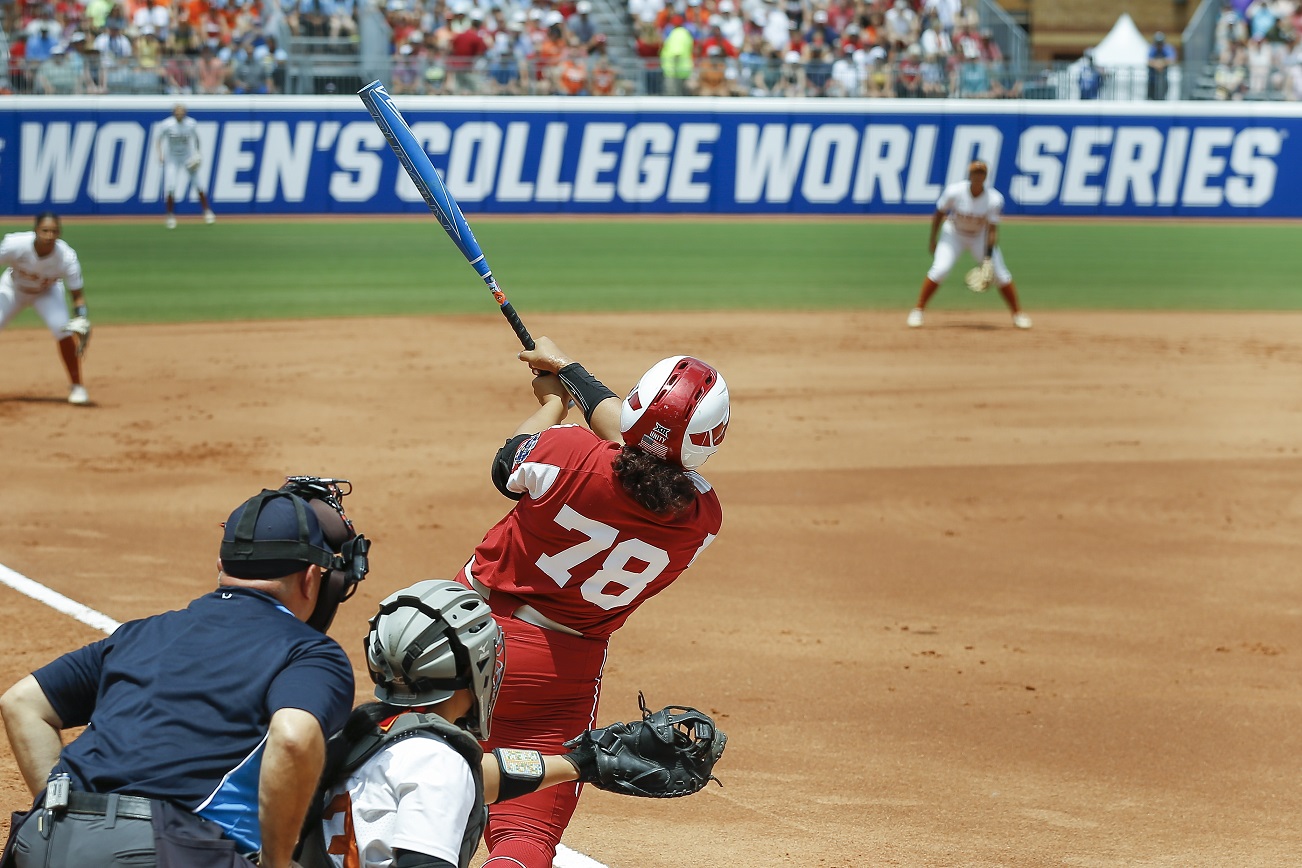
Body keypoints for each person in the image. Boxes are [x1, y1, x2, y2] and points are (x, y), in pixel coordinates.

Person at [0, 478, 371, 868]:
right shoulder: (309, 653)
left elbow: (22, 703)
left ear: (221, 566)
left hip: (42, 842)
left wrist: (75, 824)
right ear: (312, 578)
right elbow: (294, 739)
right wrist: (277, 862)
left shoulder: (139, 633)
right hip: (162, 852)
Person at [457, 337, 728, 867]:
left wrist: (551, 402)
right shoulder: (702, 520)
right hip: (559, 673)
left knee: (404, 774)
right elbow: (644, 451)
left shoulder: (565, 450)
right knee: (524, 832)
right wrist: (571, 371)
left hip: (463, 634)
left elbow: (505, 466)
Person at [907, 160, 1031, 330]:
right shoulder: (954, 192)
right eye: (975, 173)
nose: (978, 176)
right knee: (940, 269)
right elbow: (939, 214)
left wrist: (987, 257)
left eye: (981, 173)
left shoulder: (994, 199)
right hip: (953, 234)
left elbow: (992, 230)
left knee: (1000, 274)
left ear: (986, 176)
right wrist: (933, 240)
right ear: (970, 175)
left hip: (979, 237)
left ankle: (1018, 314)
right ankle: (918, 310)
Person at [0, 213, 91, 405]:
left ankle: (77, 386)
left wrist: (81, 317)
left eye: (54, 231)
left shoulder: (66, 257)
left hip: (46, 293)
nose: (49, 235)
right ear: (35, 231)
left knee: (63, 330)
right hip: (12, 289)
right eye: (45, 230)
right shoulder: (15, 244)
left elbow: (77, 295)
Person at [158, 103, 215, 229]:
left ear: (185, 113)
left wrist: (198, 153)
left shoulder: (190, 123)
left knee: (198, 184)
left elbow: (197, 139)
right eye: (177, 112)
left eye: (181, 112)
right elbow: (159, 139)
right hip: (172, 157)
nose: (179, 114)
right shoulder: (167, 124)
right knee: (171, 186)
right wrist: (160, 154)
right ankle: (170, 216)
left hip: (186, 156)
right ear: (173, 113)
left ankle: (207, 211)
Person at [1147, 31, 1177, 100]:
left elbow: (1172, 59)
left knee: (1162, 98)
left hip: (1163, 80)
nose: (1159, 45)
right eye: (1158, 43)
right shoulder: (1152, 48)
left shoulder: (1167, 48)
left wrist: (1161, 63)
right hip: (1152, 80)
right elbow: (1149, 60)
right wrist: (1158, 64)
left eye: (1160, 43)